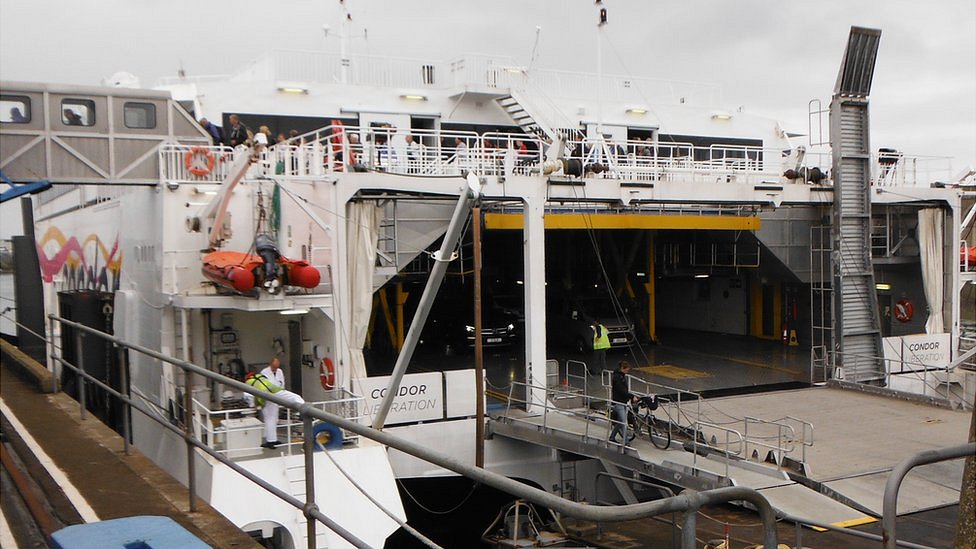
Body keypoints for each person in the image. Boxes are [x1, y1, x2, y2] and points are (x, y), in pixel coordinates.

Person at [243, 358, 304, 448]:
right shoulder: (263, 373)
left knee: (272, 419)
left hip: (270, 396)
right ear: (271, 364)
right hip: (273, 393)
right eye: (274, 367)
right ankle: (302, 412)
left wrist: (253, 404)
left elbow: (248, 395)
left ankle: (272, 440)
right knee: (296, 397)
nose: (276, 369)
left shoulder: (253, 381)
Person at [609, 360, 637, 445]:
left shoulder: (621, 376)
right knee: (624, 422)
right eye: (626, 370)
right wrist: (632, 396)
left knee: (620, 421)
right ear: (622, 368)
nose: (627, 372)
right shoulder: (618, 377)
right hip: (619, 402)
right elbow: (621, 390)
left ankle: (612, 437)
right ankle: (626, 442)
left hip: (622, 401)